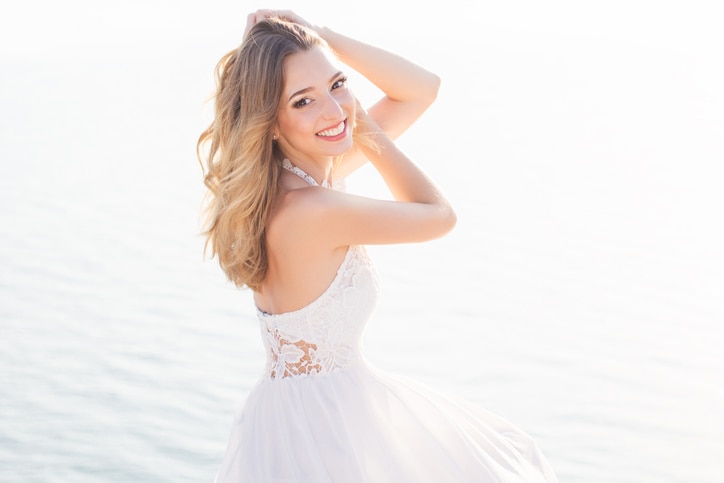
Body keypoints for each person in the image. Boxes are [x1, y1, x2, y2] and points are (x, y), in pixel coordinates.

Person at [198, 9, 558, 482]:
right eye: (303, 102)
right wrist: (358, 118)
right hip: (327, 430)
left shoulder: (291, 184)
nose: (329, 109)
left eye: (337, 84)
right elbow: (438, 215)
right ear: (269, 121)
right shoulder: (312, 211)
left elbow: (422, 88)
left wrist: (321, 37)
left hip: (303, 415)